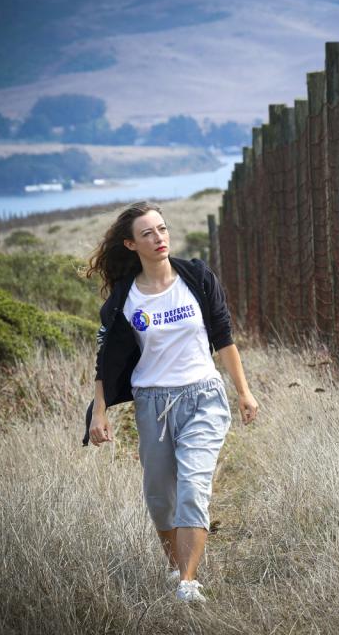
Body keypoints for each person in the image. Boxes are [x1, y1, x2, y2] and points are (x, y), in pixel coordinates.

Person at [83, 200, 258, 604]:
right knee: (161, 495)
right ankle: (175, 568)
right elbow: (106, 359)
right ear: (130, 244)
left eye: (162, 229)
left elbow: (224, 336)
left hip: (203, 397)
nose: (159, 238)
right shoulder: (124, 299)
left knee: (193, 487)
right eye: (147, 233)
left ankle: (188, 583)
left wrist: (244, 391)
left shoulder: (195, 276)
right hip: (153, 403)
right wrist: (100, 407)